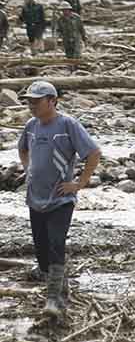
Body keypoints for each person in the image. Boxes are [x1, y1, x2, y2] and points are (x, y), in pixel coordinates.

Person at [17, 80, 101, 318]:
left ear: (52, 101)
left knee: (56, 243)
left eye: (36, 101)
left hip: (61, 198)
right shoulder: (31, 126)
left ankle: (53, 299)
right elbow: (23, 149)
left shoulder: (68, 125)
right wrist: (29, 169)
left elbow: (93, 152)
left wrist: (79, 184)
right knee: (41, 248)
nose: (31, 105)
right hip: (35, 197)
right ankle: (58, 286)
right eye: (29, 101)